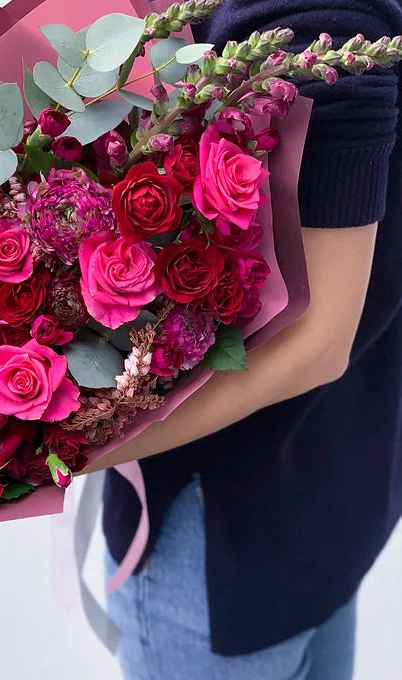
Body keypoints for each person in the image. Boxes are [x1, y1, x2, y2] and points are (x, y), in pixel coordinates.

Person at [89, 0, 402, 678]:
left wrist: (40, 456)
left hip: (221, 529)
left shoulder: (328, 23)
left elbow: (316, 344)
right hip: (331, 480)